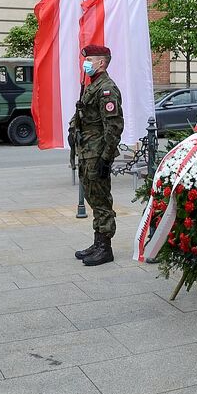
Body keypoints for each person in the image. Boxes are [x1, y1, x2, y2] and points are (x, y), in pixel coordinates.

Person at [70, 45, 124, 266]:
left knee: (101, 200)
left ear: (101, 62)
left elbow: (113, 127)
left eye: (90, 59)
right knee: (93, 197)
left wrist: (106, 158)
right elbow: (82, 115)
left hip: (97, 154)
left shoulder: (107, 89)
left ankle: (105, 248)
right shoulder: (92, 86)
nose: (86, 63)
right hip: (87, 152)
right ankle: (98, 241)